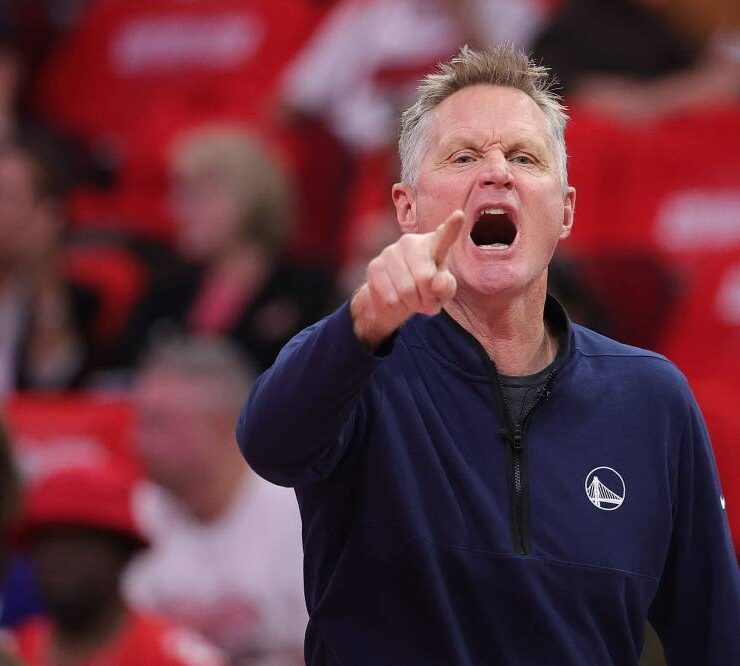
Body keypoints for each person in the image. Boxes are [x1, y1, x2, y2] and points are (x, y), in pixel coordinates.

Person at [237, 44, 740, 664]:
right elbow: (270, 445)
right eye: (464, 156)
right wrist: (363, 319)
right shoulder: (354, 365)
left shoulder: (651, 398)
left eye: (524, 157)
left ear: (566, 212)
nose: (497, 172)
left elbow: (716, 636)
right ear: (407, 209)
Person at [125, 336, 307, 664]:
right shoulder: (139, 512)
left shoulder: (296, 514)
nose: (138, 441)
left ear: (223, 425)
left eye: (157, 423)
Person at [109, 123, 336, 374]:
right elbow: (119, 374)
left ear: (249, 198)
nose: (176, 209)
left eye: (195, 195)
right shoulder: (166, 287)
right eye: (178, 194)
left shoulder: (308, 291)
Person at [6, 464, 225, 666]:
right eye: (48, 543)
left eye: (81, 542)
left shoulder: (174, 658)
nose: (61, 558)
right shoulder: (11, 651)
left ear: (124, 552)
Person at [0, 135, 98, 395]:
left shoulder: (80, 301)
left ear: (48, 215)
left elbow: (53, 384)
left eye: (8, 197)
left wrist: (45, 280)